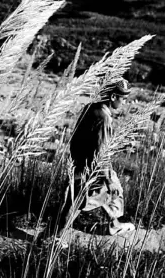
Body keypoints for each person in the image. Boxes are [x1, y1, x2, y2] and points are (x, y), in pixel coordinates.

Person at [54, 78, 136, 245]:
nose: (124, 102)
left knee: (112, 190)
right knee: (79, 201)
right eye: (123, 98)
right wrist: (106, 178)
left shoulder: (90, 108)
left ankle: (115, 224)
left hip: (79, 162)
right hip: (90, 168)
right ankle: (54, 237)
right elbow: (101, 152)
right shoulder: (104, 118)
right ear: (113, 97)